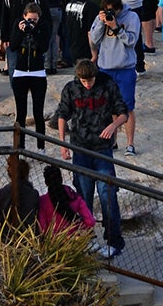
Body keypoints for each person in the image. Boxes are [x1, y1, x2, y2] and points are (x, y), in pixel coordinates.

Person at [54, 59, 128, 259]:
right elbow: (62, 115)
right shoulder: (71, 88)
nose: (88, 84)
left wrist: (113, 127)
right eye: (84, 81)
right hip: (80, 149)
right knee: (83, 197)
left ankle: (114, 241)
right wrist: (63, 144)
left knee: (108, 195)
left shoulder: (108, 85)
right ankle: (87, 238)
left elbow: (123, 112)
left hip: (103, 150)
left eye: (90, 80)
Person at [88, 0, 141, 157]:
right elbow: (93, 40)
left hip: (125, 68)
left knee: (127, 107)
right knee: (108, 107)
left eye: (113, 11)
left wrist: (116, 27)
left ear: (119, 8)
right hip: (105, 68)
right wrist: (101, 22)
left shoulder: (132, 17)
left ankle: (130, 144)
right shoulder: (101, 17)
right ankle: (113, 140)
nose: (111, 13)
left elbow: (132, 41)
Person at [4, 0, 51, 148]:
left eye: (35, 20)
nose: (31, 22)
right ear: (24, 16)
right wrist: (20, 30)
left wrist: (34, 29)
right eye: (29, 19)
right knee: (21, 114)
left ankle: (41, 147)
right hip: (20, 72)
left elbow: (43, 47)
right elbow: (13, 47)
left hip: (37, 72)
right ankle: (20, 146)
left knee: (38, 113)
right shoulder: (18, 25)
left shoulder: (43, 26)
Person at [38, 162, 95, 234]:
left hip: (54, 242)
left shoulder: (42, 202)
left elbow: (42, 228)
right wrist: (83, 226)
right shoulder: (73, 197)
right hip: (75, 239)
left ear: (46, 183)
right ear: (61, 179)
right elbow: (90, 222)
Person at [0, 154, 39, 238]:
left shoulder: (2, 193)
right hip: (28, 237)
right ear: (26, 174)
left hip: (5, 237)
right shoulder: (33, 194)